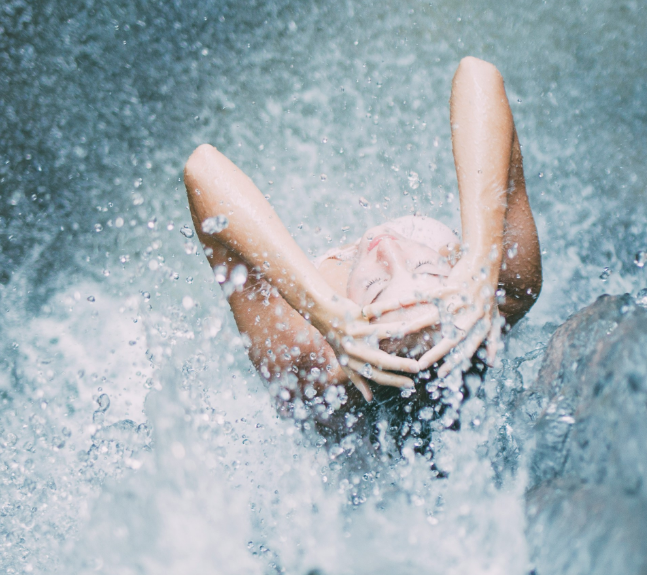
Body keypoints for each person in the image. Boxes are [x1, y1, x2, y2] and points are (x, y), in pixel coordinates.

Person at [183, 56, 542, 424]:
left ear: (348, 339)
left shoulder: (307, 361)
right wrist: (481, 258)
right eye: (424, 268)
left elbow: (202, 168)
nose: (386, 245)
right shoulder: (503, 293)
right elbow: (477, 74)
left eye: (374, 286)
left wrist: (321, 309)